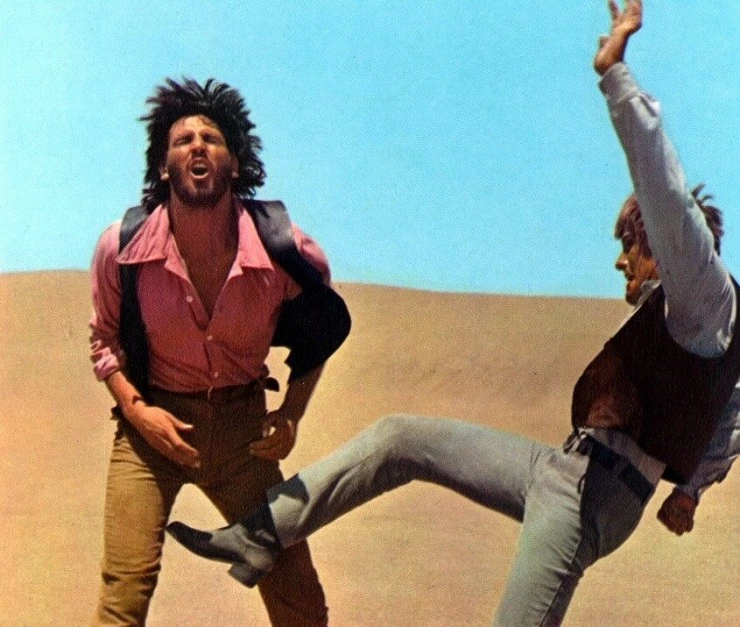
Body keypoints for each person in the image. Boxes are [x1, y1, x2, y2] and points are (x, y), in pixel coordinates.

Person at [166, 1, 740, 624]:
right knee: (401, 439)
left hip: (593, 498)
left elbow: (664, 191)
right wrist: (690, 491)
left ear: (664, 246)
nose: (621, 262)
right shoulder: (701, 318)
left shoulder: (701, 290)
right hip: (561, 470)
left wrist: (614, 75)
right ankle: (260, 533)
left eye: (631, 247)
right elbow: (732, 410)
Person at [89, 77, 347, 625]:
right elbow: (104, 339)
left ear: (234, 163)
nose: (198, 147)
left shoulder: (284, 249)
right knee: (123, 595)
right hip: (148, 437)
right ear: (164, 167)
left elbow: (322, 330)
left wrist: (293, 412)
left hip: (242, 439)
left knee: (299, 599)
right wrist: (138, 412)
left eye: (212, 138)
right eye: (182, 140)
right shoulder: (122, 247)